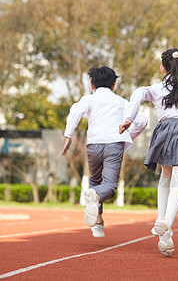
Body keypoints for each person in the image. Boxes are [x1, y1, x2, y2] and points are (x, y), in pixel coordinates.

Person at [119, 48, 178, 257]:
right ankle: (166, 223)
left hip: (164, 131)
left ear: (162, 68)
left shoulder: (157, 88)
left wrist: (128, 118)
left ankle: (164, 235)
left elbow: (139, 92)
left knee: (165, 176)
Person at [61, 66, 148, 238]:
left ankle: (98, 222)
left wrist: (68, 135)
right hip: (114, 144)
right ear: (114, 85)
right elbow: (142, 120)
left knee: (95, 181)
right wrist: (128, 136)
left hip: (93, 145)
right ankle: (98, 218)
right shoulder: (121, 102)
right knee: (109, 186)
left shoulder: (89, 99)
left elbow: (75, 112)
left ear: (92, 85)